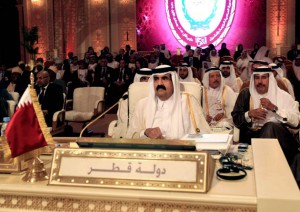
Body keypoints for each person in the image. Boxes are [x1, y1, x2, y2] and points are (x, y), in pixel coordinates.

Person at [231, 66, 300, 166]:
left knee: (270, 126)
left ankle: (262, 165)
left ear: (270, 79)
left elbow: (296, 122)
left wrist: (274, 109)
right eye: (257, 77)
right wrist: (249, 114)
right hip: (251, 136)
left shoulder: (283, 96)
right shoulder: (245, 94)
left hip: (280, 138)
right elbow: (236, 119)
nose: (260, 81)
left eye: (264, 77)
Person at [126, 65, 210, 139]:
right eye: (156, 79)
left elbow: (204, 133)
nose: (159, 83)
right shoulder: (142, 105)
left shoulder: (188, 101)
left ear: (173, 82)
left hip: (182, 153)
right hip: (150, 153)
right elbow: (130, 136)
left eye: (165, 78)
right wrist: (145, 132)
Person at [112, 68, 152, 138]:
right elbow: (123, 118)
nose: (147, 82)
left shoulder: (159, 96)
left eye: (150, 79)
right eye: (143, 79)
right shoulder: (127, 96)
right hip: (131, 131)